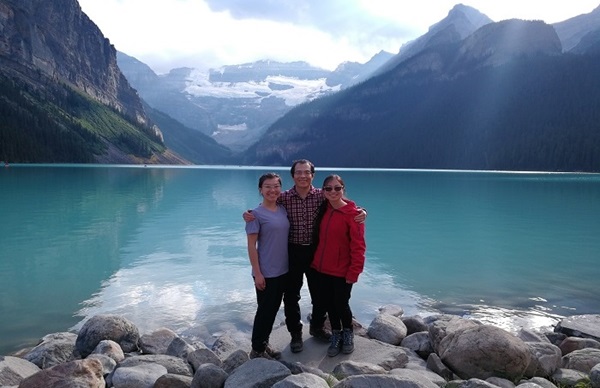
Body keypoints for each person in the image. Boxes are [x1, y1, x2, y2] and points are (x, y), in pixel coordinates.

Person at [243, 159, 366, 353]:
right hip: (291, 252)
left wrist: (361, 211)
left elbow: (341, 203)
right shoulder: (284, 198)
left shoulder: (322, 195)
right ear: (293, 176)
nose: (302, 176)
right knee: (291, 296)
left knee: (321, 295)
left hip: (316, 251)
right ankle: (295, 334)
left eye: (306, 172)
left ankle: (317, 327)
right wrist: (249, 214)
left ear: (312, 175)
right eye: (298, 172)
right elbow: (266, 206)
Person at [311, 174, 366, 357]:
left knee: (341, 303)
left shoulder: (353, 215)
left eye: (337, 188)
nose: (333, 191)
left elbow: (358, 247)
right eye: (328, 188)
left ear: (343, 189)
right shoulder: (323, 208)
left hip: (342, 271)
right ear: (323, 191)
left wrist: (354, 271)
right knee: (329, 304)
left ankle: (348, 334)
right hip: (321, 269)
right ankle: (336, 334)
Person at [245, 172, 290, 359]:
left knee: (272, 309)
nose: (272, 190)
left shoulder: (282, 209)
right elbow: (251, 245)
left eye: (276, 186)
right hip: (266, 271)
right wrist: (257, 273)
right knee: (264, 311)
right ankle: (256, 350)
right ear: (260, 190)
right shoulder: (255, 215)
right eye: (268, 187)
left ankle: (264, 343)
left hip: (283, 270)